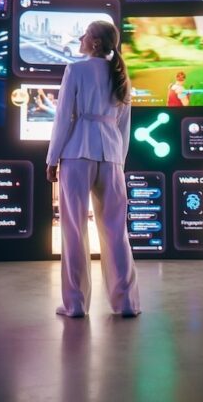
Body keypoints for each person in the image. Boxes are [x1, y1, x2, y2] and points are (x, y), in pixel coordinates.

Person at [46, 20, 139, 318]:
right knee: (115, 231)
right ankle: (125, 303)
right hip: (111, 157)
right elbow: (124, 128)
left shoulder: (75, 70)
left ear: (95, 43)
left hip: (76, 154)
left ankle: (75, 305)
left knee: (73, 230)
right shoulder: (122, 76)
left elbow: (63, 119)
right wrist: (119, 162)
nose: (81, 38)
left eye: (85, 34)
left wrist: (52, 158)